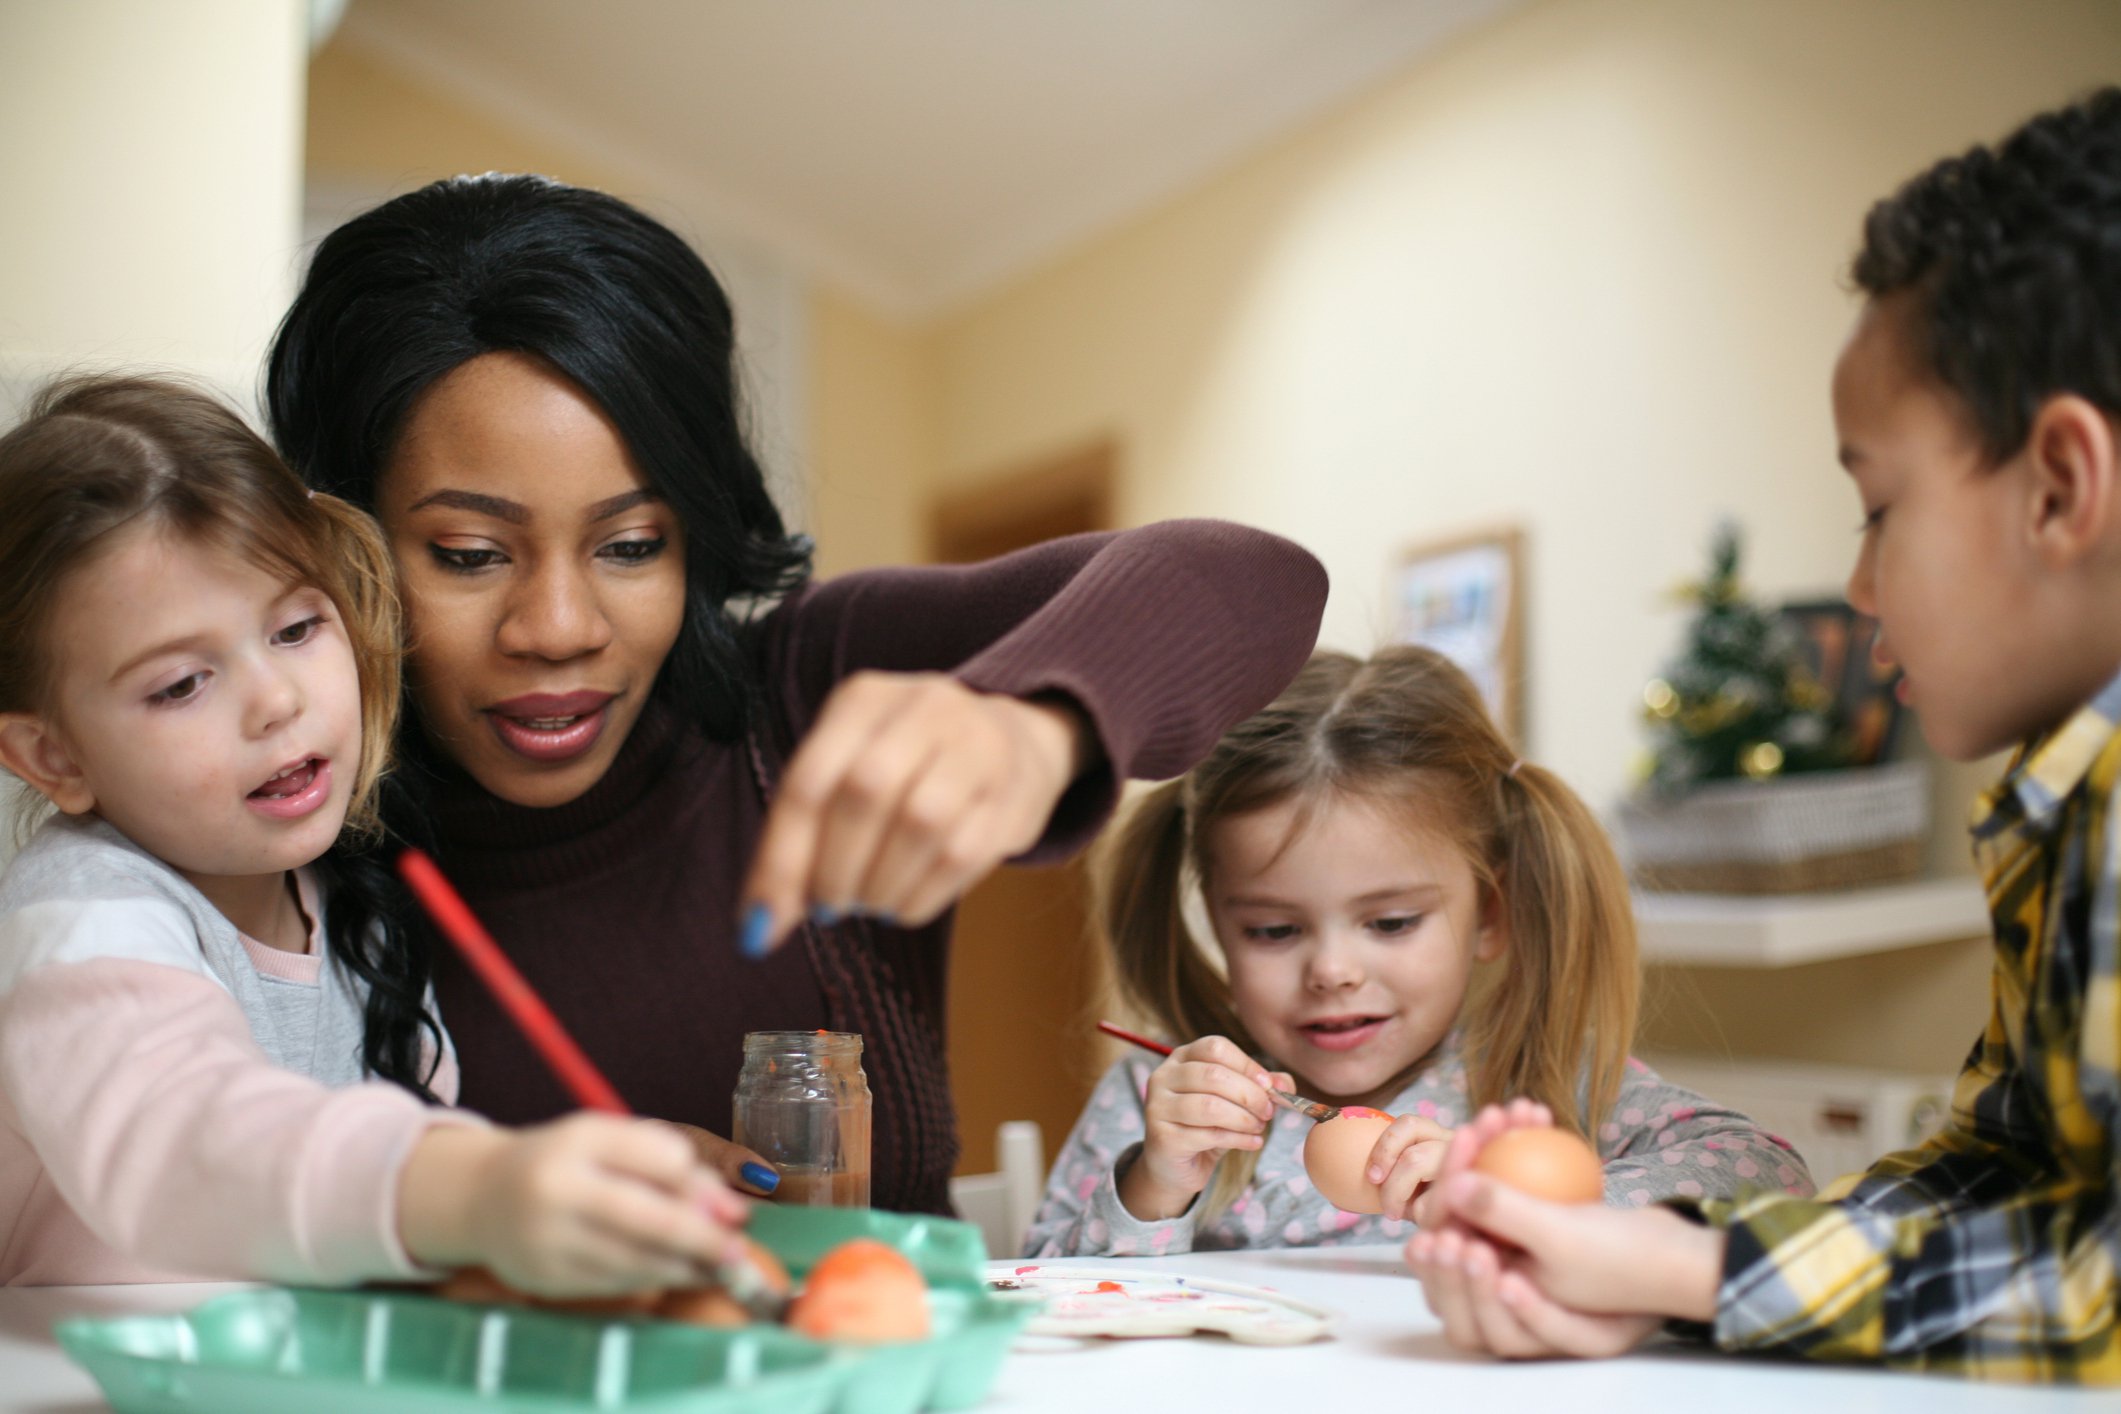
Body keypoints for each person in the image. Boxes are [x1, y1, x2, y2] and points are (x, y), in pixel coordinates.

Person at [264, 174, 1329, 1215]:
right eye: (468, 553)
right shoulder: (275, 833)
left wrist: (1032, 721)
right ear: (340, 543)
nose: (557, 628)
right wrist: (500, 1202)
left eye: (632, 544)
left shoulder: (809, 687)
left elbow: (1258, 579)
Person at [1406, 88, 2121, 1383]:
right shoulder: (2061, 800)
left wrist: (1695, 1275)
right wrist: (1670, 1257)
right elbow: (1991, 1176)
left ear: (2060, 486)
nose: (1857, 589)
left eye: (1876, 506)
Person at [0, 376, 746, 1289]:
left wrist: (586, 1192)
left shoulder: (357, 912)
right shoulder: (81, 921)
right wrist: (473, 1187)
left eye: (297, 627)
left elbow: (343, 1219)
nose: (277, 701)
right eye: (181, 685)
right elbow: (198, 1141)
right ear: (52, 756)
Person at [1024, 646, 1809, 1258]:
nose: (1332, 970)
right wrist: (1153, 1186)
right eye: (1272, 930)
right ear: (1218, 927)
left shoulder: (1534, 1084)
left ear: (1488, 915)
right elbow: (1040, 1295)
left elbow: (1768, 1173)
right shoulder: (1160, 1105)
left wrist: (1511, 1190)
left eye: (1391, 922)